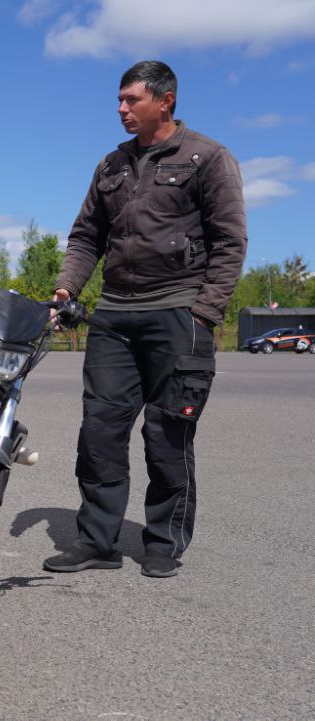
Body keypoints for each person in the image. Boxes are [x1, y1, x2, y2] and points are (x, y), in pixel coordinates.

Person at [43, 60, 247, 578]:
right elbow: (86, 236)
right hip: (113, 316)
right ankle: (97, 541)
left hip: (178, 311)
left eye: (132, 99)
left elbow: (230, 241)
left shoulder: (207, 157)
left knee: (167, 434)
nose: (121, 109)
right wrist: (67, 289)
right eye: (119, 99)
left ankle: (163, 542)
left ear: (166, 100)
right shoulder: (111, 164)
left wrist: (204, 313)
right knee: (100, 432)